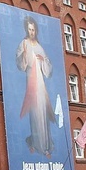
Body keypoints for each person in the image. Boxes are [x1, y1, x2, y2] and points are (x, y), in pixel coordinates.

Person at [16, 15, 54, 157]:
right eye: (29, 29)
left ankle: (45, 146)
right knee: (35, 113)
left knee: (43, 112)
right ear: (26, 29)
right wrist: (26, 56)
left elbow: (48, 67)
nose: (31, 32)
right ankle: (36, 144)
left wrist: (43, 60)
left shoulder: (39, 46)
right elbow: (20, 62)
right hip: (31, 83)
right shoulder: (24, 43)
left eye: (33, 29)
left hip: (40, 84)